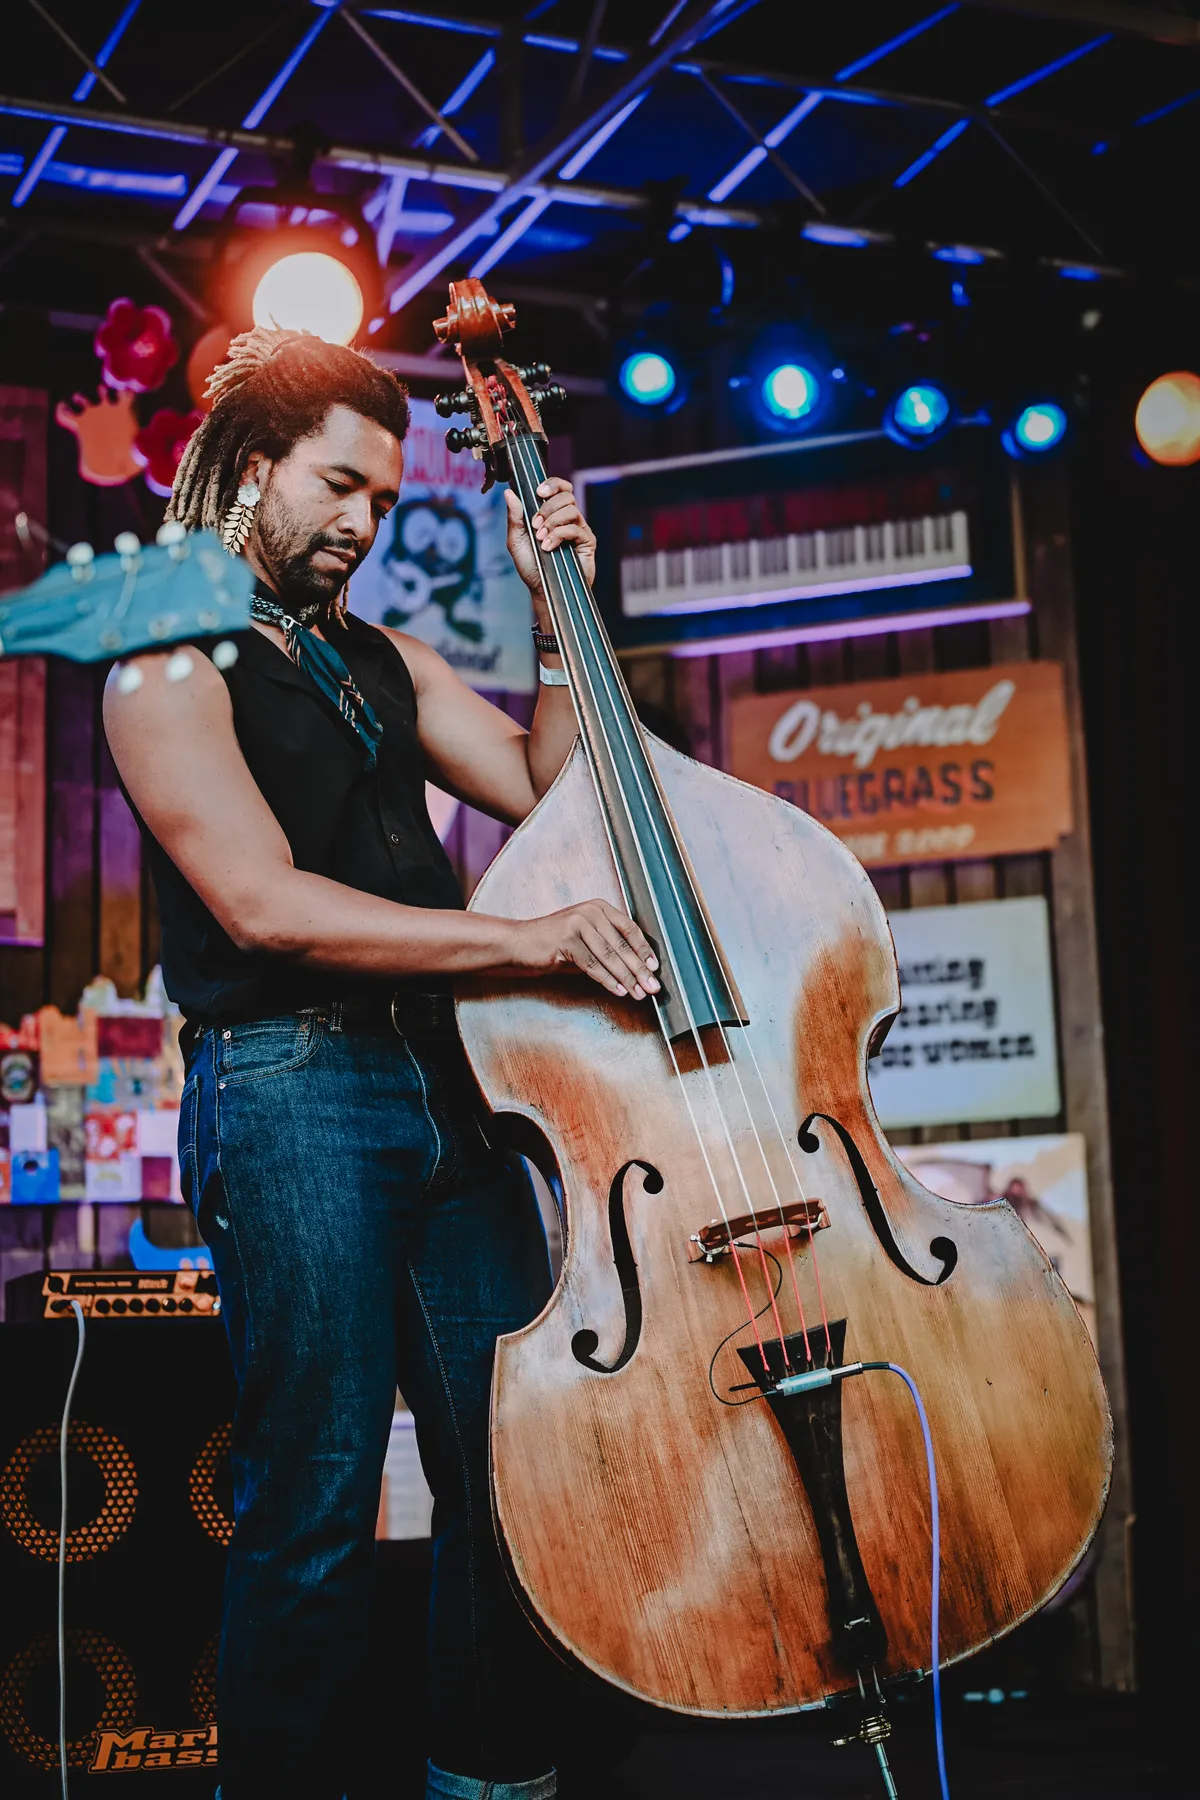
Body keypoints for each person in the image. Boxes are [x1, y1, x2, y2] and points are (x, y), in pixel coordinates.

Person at [103, 327, 660, 1800]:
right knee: (315, 1497)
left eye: (387, 500)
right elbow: (264, 907)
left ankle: (487, 1780)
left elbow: (549, 790)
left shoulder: (385, 660)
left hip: (447, 1090)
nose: (363, 521)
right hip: (290, 1090)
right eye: (338, 485)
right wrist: (522, 944)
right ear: (250, 468)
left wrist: (556, 616)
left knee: (513, 1468)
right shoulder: (164, 664)